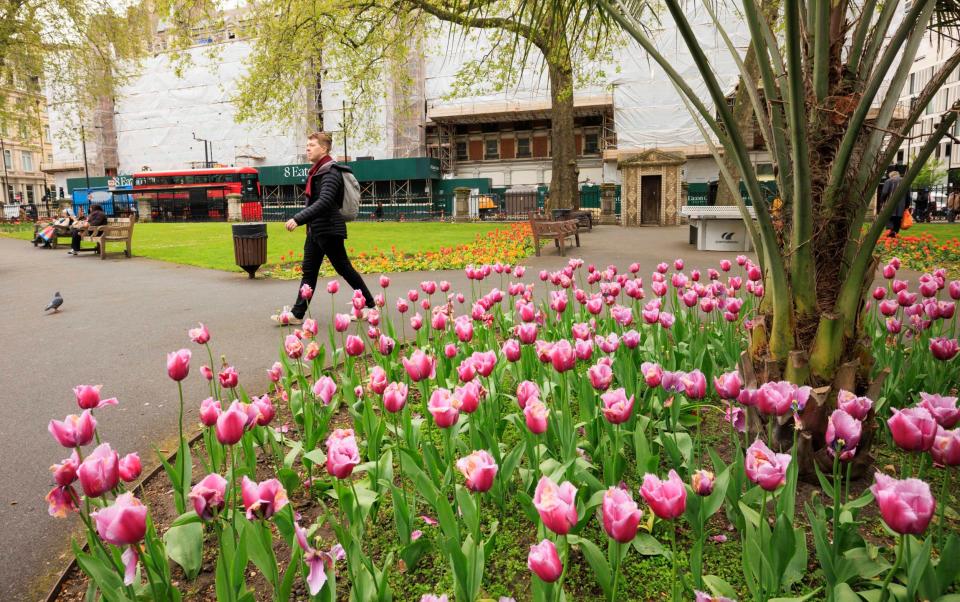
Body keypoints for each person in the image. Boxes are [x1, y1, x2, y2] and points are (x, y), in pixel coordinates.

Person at [272, 131, 375, 325]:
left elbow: (326, 201)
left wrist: (299, 218)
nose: (307, 148)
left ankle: (370, 306)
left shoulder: (331, 172)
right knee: (309, 272)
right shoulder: (317, 172)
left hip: (329, 229)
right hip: (315, 230)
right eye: (307, 145)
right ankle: (297, 314)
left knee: (344, 268)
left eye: (312, 145)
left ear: (324, 148)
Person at [880, 170, 906, 237]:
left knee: (889, 221)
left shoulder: (888, 181)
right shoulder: (905, 181)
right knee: (897, 222)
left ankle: (889, 235)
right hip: (901, 206)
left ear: (891, 176)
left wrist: (882, 201)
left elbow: (884, 193)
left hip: (890, 205)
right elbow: (908, 196)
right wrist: (907, 206)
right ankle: (894, 236)